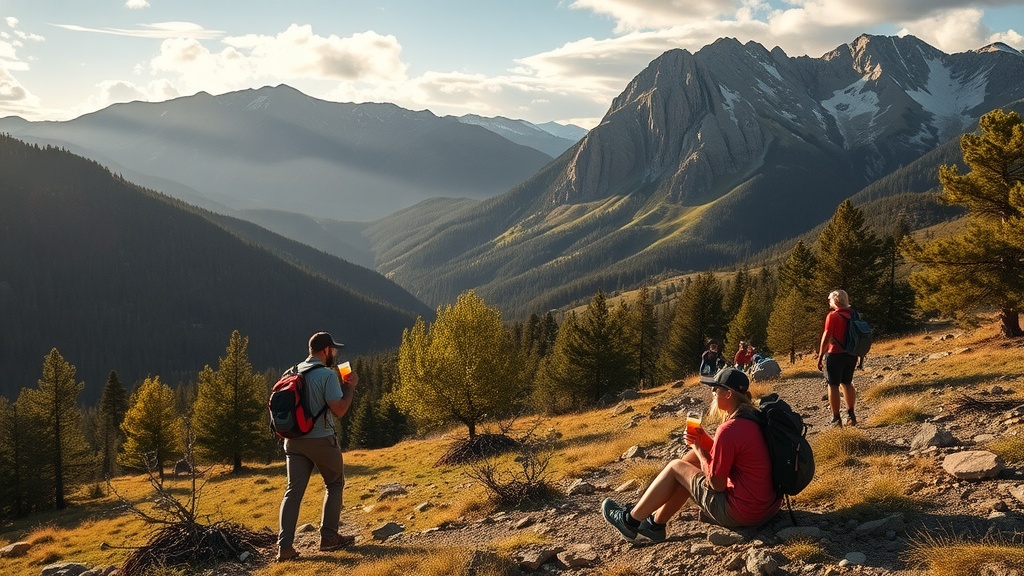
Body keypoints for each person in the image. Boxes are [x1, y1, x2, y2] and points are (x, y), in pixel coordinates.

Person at [601, 367, 781, 541]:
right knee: (689, 462)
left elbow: (716, 484)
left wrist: (698, 449)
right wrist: (702, 440)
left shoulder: (729, 429)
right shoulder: (753, 417)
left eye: (715, 389)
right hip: (766, 507)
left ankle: (630, 521)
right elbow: (734, 455)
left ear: (728, 394)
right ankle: (655, 524)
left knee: (676, 467)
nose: (712, 393)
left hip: (743, 513)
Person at [277, 331, 359, 562]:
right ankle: (329, 537)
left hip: (292, 441)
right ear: (325, 351)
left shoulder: (291, 372)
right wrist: (350, 386)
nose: (335, 353)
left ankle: (284, 548)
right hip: (321, 439)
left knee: (292, 492)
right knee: (334, 483)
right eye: (333, 350)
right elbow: (339, 410)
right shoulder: (326, 375)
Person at [817, 289, 858, 427]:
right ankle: (851, 414)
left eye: (829, 299)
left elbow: (827, 336)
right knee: (847, 382)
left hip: (835, 354)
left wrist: (820, 355)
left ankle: (836, 418)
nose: (828, 301)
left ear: (835, 300)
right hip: (851, 354)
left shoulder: (833, 316)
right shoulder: (853, 314)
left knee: (833, 385)